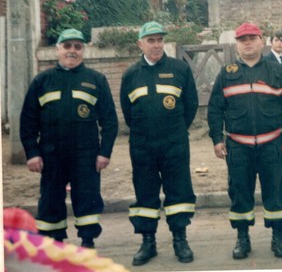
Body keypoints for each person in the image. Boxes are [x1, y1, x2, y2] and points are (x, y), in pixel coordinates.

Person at [207, 22, 282, 260]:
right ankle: (242, 238)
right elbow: (215, 108)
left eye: (252, 38)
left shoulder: (276, 71)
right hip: (238, 146)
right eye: (242, 39)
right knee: (239, 193)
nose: (247, 42)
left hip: (272, 144)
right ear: (237, 44)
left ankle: (278, 237)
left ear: (261, 41)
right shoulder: (226, 73)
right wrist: (217, 139)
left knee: (276, 192)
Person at [19, 28, 118, 249]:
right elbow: (28, 121)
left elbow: (110, 121)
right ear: (58, 49)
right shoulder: (42, 81)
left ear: (83, 51)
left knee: (87, 198)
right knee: (51, 200)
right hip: (51, 154)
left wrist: (105, 152)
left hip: (86, 154)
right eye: (67, 46)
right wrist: (32, 153)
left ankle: (87, 241)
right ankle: (54, 245)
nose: (72, 51)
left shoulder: (96, 80)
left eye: (77, 46)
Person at [120, 21, 199, 266]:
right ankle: (148, 242)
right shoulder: (131, 74)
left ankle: (180, 239)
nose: (156, 45)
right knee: (145, 193)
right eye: (151, 40)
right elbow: (127, 111)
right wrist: (146, 131)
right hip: (142, 145)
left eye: (159, 40)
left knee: (179, 191)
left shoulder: (179, 69)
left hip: (174, 143)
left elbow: (191, 105)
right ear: (140, 43)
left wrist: (174, 130)